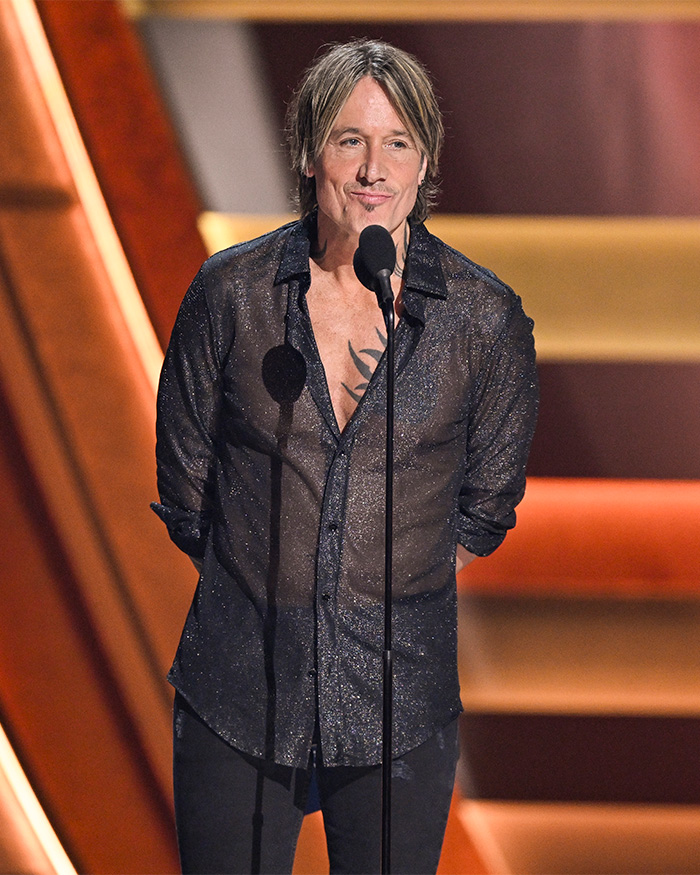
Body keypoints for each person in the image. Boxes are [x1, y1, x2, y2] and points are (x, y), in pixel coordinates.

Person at [152, 38, 538, 875]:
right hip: (239, 691)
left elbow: (483, 509)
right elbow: (186, 492)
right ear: (308, 153)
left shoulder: (483, 320)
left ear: (424, 162)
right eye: (349, 140)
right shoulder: (230, 295)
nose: (372, 169)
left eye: (397, 142)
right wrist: (274, 585)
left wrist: (373, 588)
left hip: (399, 705)